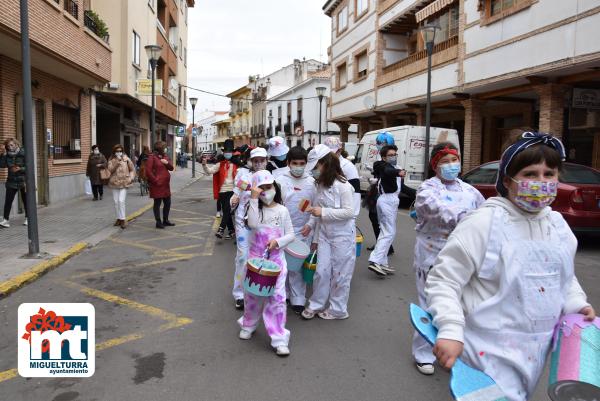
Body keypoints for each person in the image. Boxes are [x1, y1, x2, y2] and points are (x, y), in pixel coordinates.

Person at [426, 132, 596, 401]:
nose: (541, 182)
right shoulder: (484, 223)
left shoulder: (558, 226)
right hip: (484, 353)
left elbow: (562, 275)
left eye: (549, 173)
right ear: (507, 180)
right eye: (530, 174)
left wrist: (577, 304)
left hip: (535, 352)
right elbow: (444, 280)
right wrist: (450, 329)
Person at [411, 142, 485, 375]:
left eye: (454, 160)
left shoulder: (470, 191)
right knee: (430, 304)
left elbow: (484, 215)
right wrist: (466, 219)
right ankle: (424, 352)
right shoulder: (427, 189)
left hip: (463, 256)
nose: (452, 165)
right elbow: (435, 209)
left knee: (463, 305)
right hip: (432, 254)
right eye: (445, 162)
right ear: (435, 166)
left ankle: (454, 348)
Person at [238, 170, 295, 357]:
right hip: (255, 262)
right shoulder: (252, 207)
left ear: (275, 187)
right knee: (252, 296)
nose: (265, 191)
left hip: (277, 263)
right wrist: (253, 199)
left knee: (277, 299)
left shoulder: (283, 210)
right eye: (260, 188)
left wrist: (278, 242)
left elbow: (291, 235)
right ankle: (248, 324)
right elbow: (253, 225)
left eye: (268, 187)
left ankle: (279, 339)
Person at [301, 145, 356, 320]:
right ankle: (316, 304)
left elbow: (349, 212)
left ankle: (338, 309)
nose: (314, 172)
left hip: (343, 236)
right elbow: (316, 210)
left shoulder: (344, 186)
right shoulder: (320, 185)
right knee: (321, 271)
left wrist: (323, 212)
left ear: (326, 164)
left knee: (340, 274)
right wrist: (312, 228)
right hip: (324, 234)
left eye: (316, 167)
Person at [275, 146, 315, 314]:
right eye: (295, 163)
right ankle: (282, 296)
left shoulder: (312, 182)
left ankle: (298, 298)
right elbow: (274, 205)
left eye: (302, 163)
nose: (298, 166)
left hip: (303, 229)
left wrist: (311, 224)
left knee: (298, 266)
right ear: (288, 163)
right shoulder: (279, 180)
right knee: (282, 265)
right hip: (283, 230)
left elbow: (317, 206)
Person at [230, 146, 266, 310]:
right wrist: (235, 196)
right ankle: (239, 294)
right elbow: (237, 189)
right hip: (243, 222)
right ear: (250, 161)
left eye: (261, 160)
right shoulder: (243, 174)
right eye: (255, 161)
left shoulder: (270, 177)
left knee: (260, 257)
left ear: (266, 161)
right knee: (243, 257)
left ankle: (256, 290)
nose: (258, 164)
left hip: (262, 223)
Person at [367, 145, 406, 277]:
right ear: (384, 157)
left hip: (392, 200)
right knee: (389, 232)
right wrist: (397, 172)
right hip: (386, 200)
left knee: (386, 231)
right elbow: (385, 169)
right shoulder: (382, 166)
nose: (393, 156)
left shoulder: (396, 168)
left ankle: (382, 262)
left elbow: (403, 187)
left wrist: (419, 193)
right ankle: (375, 260)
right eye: (390, 155)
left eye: (395, 154)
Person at [366, 132, 396, 252]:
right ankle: (384, 245)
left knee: (378, 219)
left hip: (383, 194)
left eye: (380, 143)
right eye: (377, 142)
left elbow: (387, 172)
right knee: (376, 218)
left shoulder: (389, 157)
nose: (377, 145)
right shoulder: (382, 156)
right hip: (378, 190)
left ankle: (384, 246)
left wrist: (377, 178)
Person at [203, 139, 237, 240]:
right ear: (224, 152)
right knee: (227, 211)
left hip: (232, 191)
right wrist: (204, 164)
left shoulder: (237, 164)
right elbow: (210, 171)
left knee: (226, 210)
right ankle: (231, 231)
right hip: (222, 191)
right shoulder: (220, 164)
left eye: (229, 151)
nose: (227, 153)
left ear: (232, 152)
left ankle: (221, 229)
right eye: (226, 151)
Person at [324, 137, 361, 217]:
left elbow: (356, 192)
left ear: (340, 151)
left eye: (333, 152)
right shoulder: (326, 164)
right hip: (329, 214)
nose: (330, 155)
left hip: (345, 215)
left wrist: (353, 216)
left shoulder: (348, 167)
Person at [145, 141, 175, 229]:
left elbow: (171, 168)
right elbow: (148, 171)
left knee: (167, 203)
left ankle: (165, 220)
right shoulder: (152, 157)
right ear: (160, 148)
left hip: (165, 185)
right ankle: (158, 222)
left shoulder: (165, 156)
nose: (166, 149)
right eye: (164, 147)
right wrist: (155, 181)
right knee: (157, 203)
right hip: (157, 185)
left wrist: (166, 163)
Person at [107, 144, 136, 229]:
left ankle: (123, 219)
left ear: (122, 151)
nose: (119, 153)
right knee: (116, 202)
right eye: (117, 151)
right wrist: (117, 162)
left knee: (121, 201)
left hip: (124, 183)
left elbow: (132, 169)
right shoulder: (111, 160)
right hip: (115, 183)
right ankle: (118, 218)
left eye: (120, 151)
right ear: (114, 152)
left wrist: (131, 178)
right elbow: (110, 170)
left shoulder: (126, 159)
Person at [0, 138, 27, 228]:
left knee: (26, 201)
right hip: (11, 181)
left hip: (23, 180)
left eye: (12, 145)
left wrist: (21, 168)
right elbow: (2, 165)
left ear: (16, 144)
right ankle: (5, 220)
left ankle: (28, 218)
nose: (10, 147)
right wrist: (3, 154)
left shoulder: (23, 153)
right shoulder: (7, 155)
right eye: (8, 146)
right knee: (8, 201)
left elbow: (29, 166)